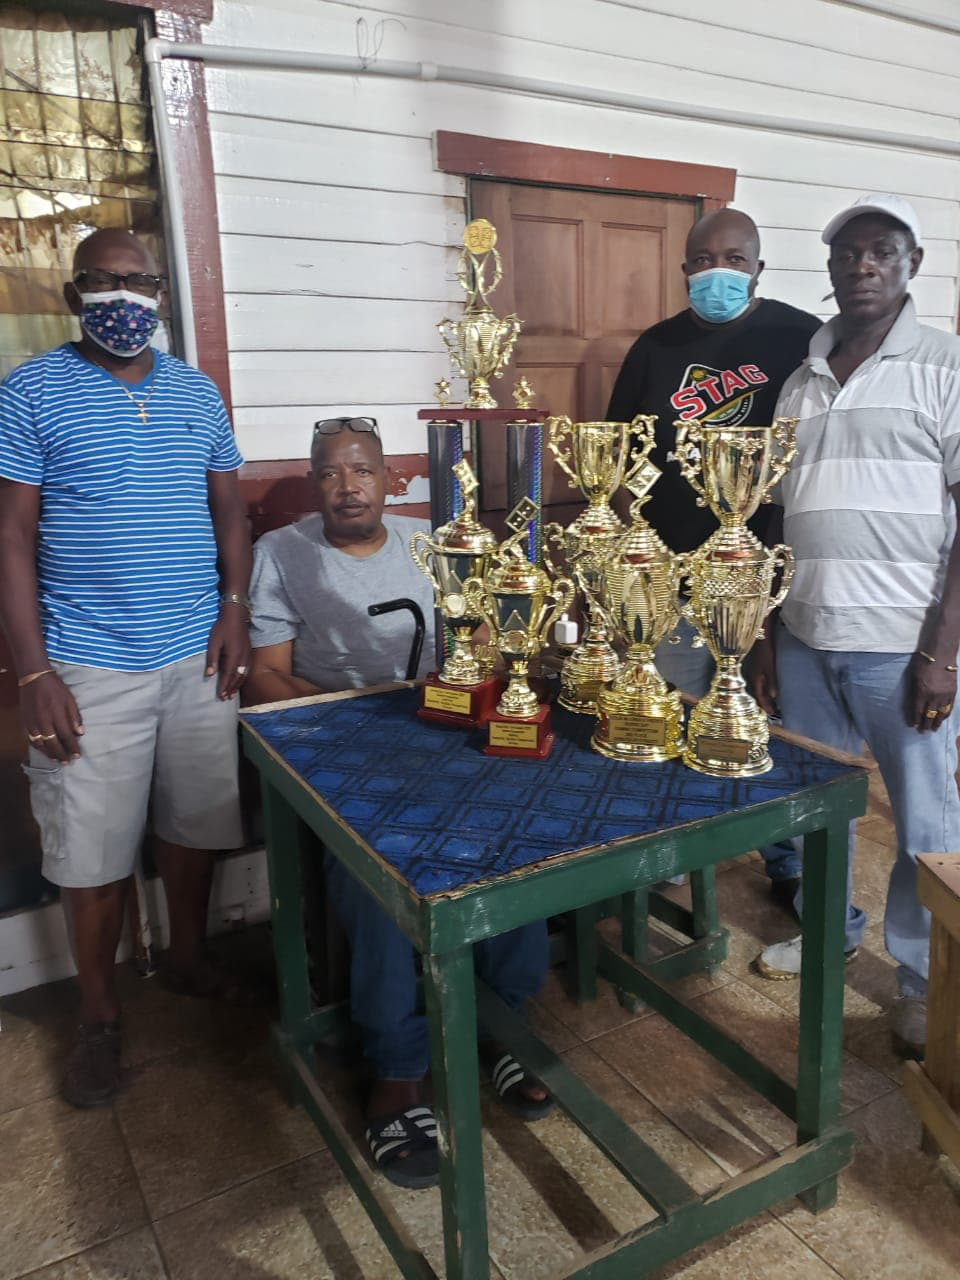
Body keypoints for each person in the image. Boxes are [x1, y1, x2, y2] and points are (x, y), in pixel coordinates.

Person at [244, 419, 550, 1189]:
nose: (347, 486)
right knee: (375, 873)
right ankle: (398, 1066)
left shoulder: (435, 540)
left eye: (363, 471)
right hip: (343, 747)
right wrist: (364, 707)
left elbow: (482, 644)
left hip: (443, 735)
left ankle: (503, 1020)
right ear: (315, 485)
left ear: (392, 481)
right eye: (329, 473)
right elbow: (266, 679)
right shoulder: (282, 553)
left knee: (517, 831)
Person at [0, 229, 251, 1107]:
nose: (126, 297)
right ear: (73, 296)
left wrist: (234, 612)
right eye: (105, 281)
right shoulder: (29, 391)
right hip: (86, 664)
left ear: (163, 299)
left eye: (143, 283)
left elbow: (230, 513)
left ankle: (185, 960)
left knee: (197, 822)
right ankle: (100, 1016)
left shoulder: (196, 393)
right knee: (89, 854)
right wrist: (33, 673)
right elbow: (11, 535)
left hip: (196, 654)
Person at [749, 193, 960, 1056]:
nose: (862, 266)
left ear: (912, 265)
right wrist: (767, 635)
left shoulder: (945, 366)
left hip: (900, 646)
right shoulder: (801, 378)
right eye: (847, 254)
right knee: (814, 806)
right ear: (830, 270)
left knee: (925, 823)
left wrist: (941, 656)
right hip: (804, 637)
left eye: (882, 252)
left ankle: (921, 982)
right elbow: (765, 515)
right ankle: (832, 929)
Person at [606, 206, 820, 905]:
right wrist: (625, 557)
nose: (716, 271)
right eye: (703, 260)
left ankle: (785, 861)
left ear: (758, 267)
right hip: (669, 569)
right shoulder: (655, 347)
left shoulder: (800, 337)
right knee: (674, 703)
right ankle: (670, 847)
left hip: (764, 574)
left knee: (764, 717)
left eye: (733, 258)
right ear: (684, 269)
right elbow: (617, 454)